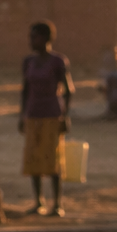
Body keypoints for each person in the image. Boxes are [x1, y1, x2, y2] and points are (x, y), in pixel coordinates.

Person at [20, 21, 75, 217]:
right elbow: (25, 90)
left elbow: (68, 90)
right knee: (33, 158)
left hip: (52, 114)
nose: (30, 41)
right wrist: (22, 115)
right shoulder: (28, 62)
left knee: (53, 159)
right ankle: (38, 201)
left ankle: (57, 204)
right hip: (33, 114)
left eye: (34, 37)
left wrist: (65, 116)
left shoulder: (58, 61)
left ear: (45, 38)